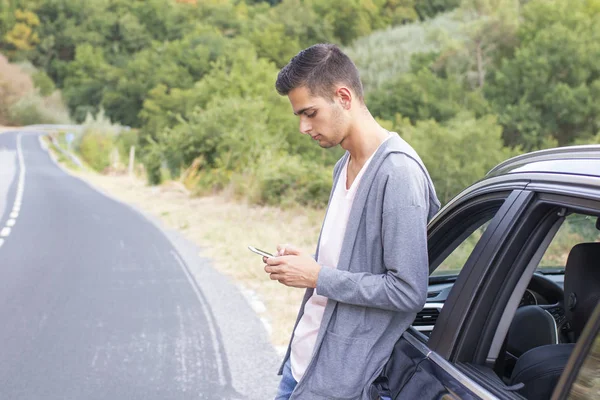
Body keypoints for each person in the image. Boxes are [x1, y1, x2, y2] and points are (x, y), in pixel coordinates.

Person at [264, 43, 441, 400]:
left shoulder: (398, 174)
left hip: (342, 385)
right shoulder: (342, 166)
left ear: (343, 96)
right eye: (299, 115)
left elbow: (408, 290)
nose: (303, 127)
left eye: (310, 113)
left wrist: (317, 276)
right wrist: (308, 266)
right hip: (305, 368)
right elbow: (349, 267)